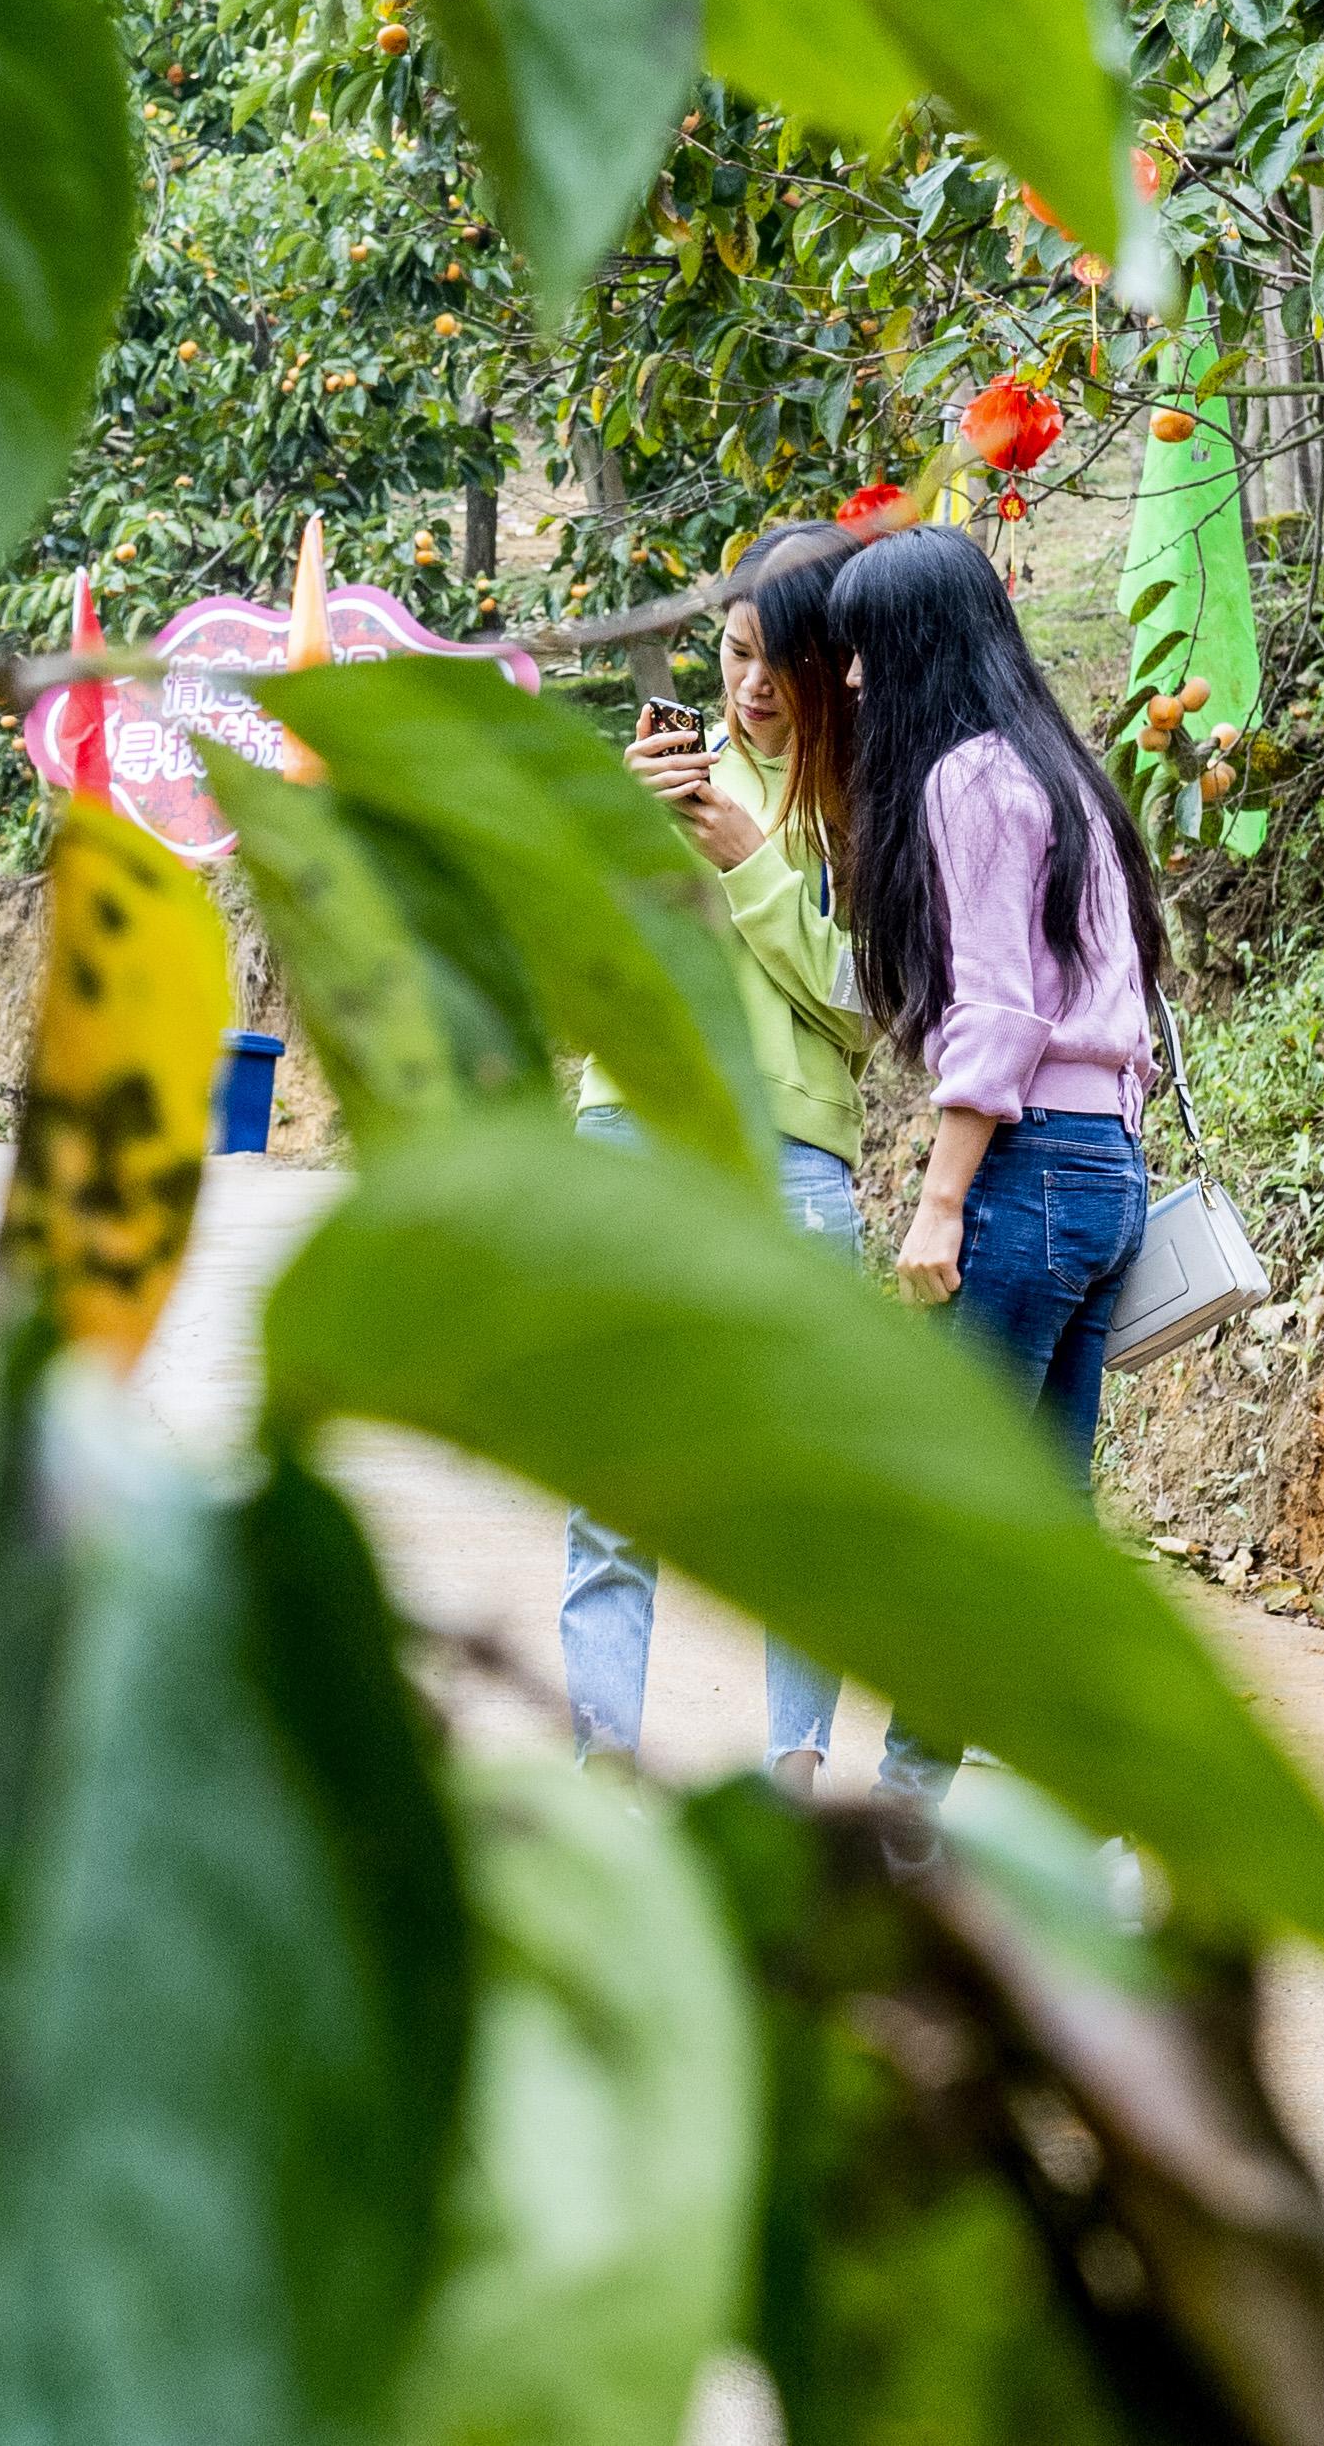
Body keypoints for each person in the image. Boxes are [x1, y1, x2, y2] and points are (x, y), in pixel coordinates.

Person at [832, 524, 1168, 1804]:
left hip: (1030, 1177)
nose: (855, 682)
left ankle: (908, 1820)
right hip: (1105, 1175)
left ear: (914, 646)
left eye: (866, 652)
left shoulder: (969, 779)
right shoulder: (1059, 767)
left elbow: (1002, 1013)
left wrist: (939, 1198)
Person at [566, 524, 872, 1795]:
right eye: (737, 651)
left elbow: (870, 1006)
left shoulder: (873, 795)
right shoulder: (656, 774)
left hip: (797, 1156)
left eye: (781, 665)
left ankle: (795, 1776)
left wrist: (750, 866)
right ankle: (602, 1768)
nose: (751, 687)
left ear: (838, 667)